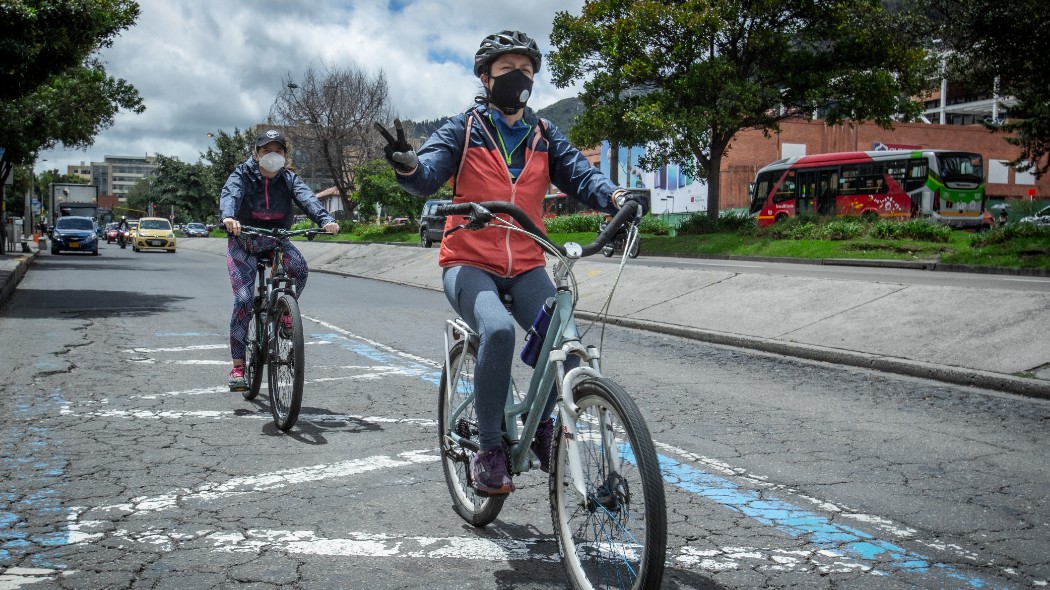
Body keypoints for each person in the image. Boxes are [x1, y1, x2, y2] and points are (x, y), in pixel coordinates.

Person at [377, 30, 647, 495]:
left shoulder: (544, 135)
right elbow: (425, 178)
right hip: (468, 261)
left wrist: (617, 197)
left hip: (526, 263)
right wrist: (407, 166)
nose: (517, 78)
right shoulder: (463, 129)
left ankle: (544, 427)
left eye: (525, 70)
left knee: (563, 342)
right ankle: (488, 450)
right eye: (506, 70)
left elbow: (582, 177)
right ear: (485, 78)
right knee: (498, 330)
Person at [219, 129, 339, 391]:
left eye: (278, 151)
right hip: (244, 241)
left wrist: (326, 220)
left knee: (299, 268)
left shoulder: (288, 179)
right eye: (266, 150)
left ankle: (284, 312)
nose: (272, 156)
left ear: (285, 155)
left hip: (275, 240)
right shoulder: (242, 174)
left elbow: (307, 198)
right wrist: (228, 217)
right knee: (243, 300)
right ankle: (238, 367)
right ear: (256, 153)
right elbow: (231, 193)